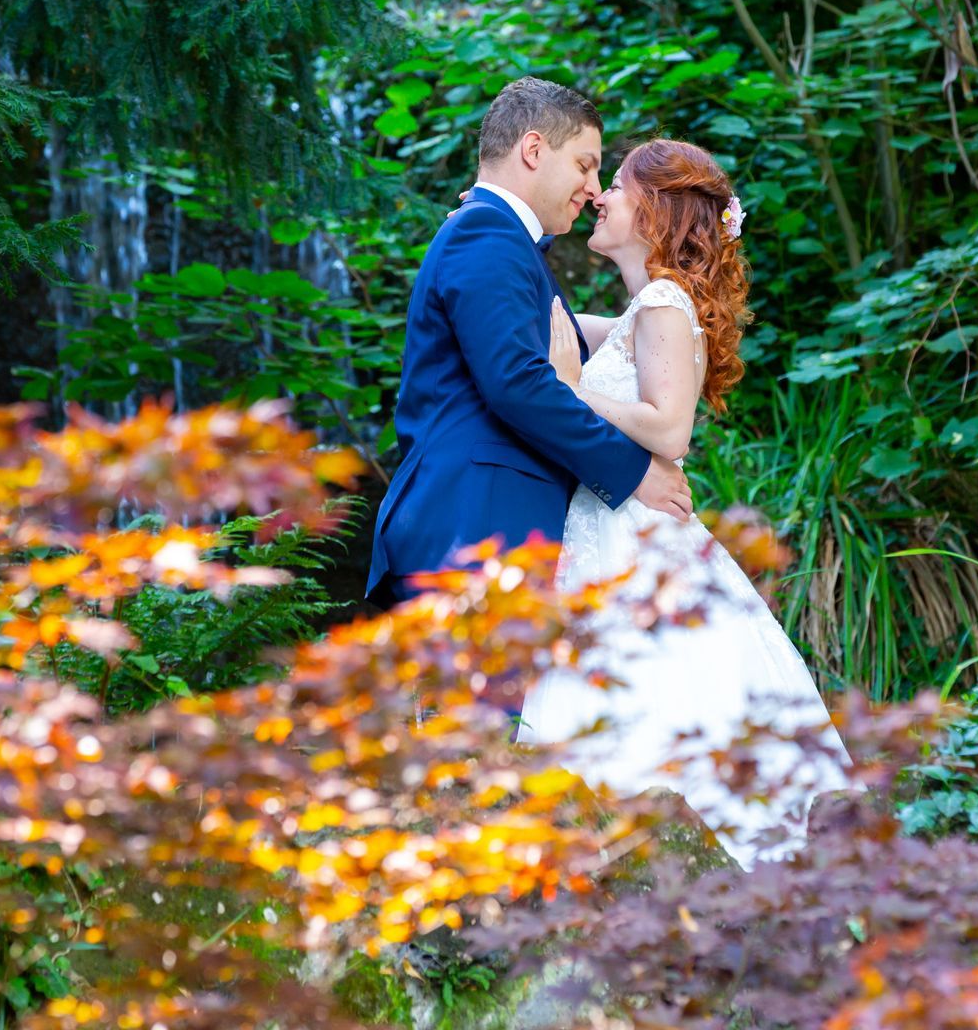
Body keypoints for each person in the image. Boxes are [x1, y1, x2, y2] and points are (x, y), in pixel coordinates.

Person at [514, 138, 852, 870]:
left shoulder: (665, 301)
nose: (600, 195)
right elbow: (561, 330)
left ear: (654, 211)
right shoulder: (647, 308)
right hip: (618, 521)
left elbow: (671, 428)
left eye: (619, 186)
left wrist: (572, 392)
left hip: (634, 530)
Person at [365, 77, 693, 608]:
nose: (593, 189)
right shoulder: (487, 236)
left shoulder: (494, 237)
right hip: (473, 536)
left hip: (490, 535)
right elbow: (519, 383)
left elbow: (553, 340)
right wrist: (632, 473)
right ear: (534, 149)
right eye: (585, 165)